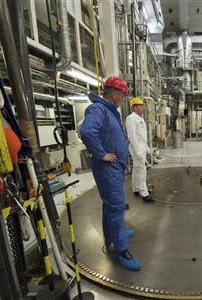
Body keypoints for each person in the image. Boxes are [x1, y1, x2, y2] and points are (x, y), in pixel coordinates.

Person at [80, 76, 140, 271]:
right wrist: (102, 154)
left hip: (115, 167)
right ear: (114, 94)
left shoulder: (109, 110)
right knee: (116, 206)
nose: (123, 99)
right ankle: (122, 249)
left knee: (110, 204)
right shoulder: (98, 109)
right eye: (122, 95)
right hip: (108, 168)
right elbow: (88, 131)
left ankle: (113, 234)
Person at [125, 98, 154, 203]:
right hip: (136, 149)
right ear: (135, 107)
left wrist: (146, 147)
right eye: (141, 106)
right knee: (142, 170)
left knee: (137, 169)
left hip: (141, 148)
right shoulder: (131, 119)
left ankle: (136, 188)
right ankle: (144, 193)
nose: (143, 107)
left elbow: (141, 136)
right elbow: (132, 137)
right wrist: (138, 151)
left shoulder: (140, 118)